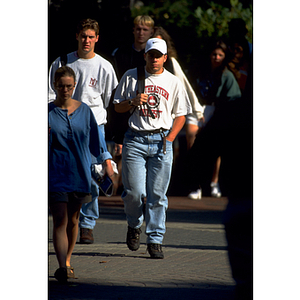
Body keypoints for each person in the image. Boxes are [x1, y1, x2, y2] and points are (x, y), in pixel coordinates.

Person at [113, 38, 191, 259]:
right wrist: (133, 102)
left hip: (161, 141)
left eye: (159, 55)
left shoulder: (174, 82)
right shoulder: (131, 75)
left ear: (165, 58)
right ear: (144, 55)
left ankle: (155, 239)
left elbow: (181, 115)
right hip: (135, 140)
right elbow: (117, 107)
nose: (154, 59)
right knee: (134, 193)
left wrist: (169, 139)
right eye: (151, 54)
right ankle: (134, 224)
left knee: (158, 194)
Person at [48, 18, 118, 244]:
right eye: (83, 36)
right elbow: (49, 93)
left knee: (93, 175)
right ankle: (67, 218)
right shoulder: (62, 62)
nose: (86, 40)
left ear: (97, 38)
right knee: (66, 172)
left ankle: (86, 224)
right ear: (77, 37)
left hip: (93, 125)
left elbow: (108, 99)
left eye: (91, 37)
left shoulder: (104, 66)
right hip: (63, 123)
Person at [49, 66, 114, 283]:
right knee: (59, 219)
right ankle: (61, 266)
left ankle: (67, 261)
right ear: (54, 86)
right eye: (61, 86)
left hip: (80, 174)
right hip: (56, 173)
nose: (65, 90)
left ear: (74, 86)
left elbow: (97, 142)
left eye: (69, 86)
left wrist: (106, 163)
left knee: (74, 220)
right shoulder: (46, 112)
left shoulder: (85, 111)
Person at [185, 39, 241, 199]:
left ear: (225, 57)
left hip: (215, 110)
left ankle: (213, 182)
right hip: (196, 108)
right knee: (192, 142)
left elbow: (232, 100)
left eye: (220, 55)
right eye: (214, 54)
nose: (216, 57)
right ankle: (195, 185)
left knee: (215, 147)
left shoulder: (227, 75)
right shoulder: (200, 69)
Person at [152, 26, 204, 147]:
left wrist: (197, 110)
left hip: (167, 113)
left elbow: (184, 86)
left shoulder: (171, 62)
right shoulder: (141, 62)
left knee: (166, 147)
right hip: (147, 114)